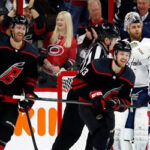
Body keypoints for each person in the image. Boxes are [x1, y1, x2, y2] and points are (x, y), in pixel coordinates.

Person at [51, 22, 120, 150]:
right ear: (107, 39)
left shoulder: (102, 51)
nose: (117, 42)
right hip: (81, 97)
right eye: (115, 39)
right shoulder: (98, 51)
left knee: (96, 133)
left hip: (87, 97)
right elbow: (88, 79)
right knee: (70, 135)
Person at [71, 40, 135, 150]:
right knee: (101, 133)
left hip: (106, 109)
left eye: (127, 55)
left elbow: (126, 102)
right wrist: (94, 94)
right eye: (121, 54)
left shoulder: (129, 76)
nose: (124, 57)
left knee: (109, 140)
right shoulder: (98, 65)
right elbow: (76, 83)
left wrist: (116, 103)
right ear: (114, 54)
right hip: (88, 105)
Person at [0, 14, 38, 150]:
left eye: (23, 28)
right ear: (12, 28)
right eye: (18, 28)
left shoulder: (31, 53)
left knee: (4, 134)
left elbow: (31, 78)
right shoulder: (1, 46)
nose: (20, 31)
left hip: (11, 102)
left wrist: (28, 95)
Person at [113, 11, 150, 150]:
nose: (136, 29)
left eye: (138, 26)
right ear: (127, 28)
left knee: (141, 133)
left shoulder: (148, 43)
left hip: (144, 92)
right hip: (125, 91)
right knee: (118, 134)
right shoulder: (121, 45)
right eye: (133, 27)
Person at [39, 11, 77, 87]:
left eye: (61, 20)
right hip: (46, 74)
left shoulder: (72, 40)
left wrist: (59, 68)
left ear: (67, 22)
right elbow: (43, 52)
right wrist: (45, 61)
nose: (59, 22)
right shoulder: (50, 35)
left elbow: (72, 60)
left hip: (61, 76)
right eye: (58, 20)